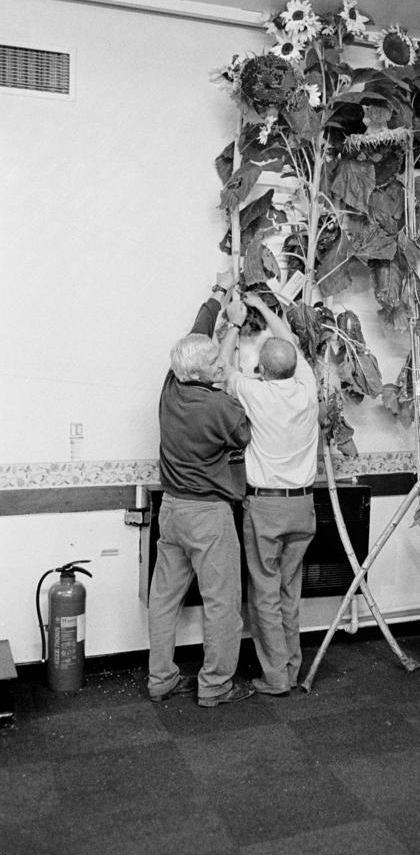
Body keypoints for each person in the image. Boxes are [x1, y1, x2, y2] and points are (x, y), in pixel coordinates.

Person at [147, 274, 255, 707]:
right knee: (222, 604)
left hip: (171, 512)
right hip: (208, 517)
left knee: (163, 601)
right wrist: (237, 328)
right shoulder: (222, 407)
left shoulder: (170, 387)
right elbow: (243, 436)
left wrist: (219, 296)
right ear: (199, 372)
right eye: (214, 365)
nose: (219, 367)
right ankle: (214, 687)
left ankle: (160, 680)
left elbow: (198, 330)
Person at [223, 291, 320, 696]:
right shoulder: (307, 387)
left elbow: (221, 366)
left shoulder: (254, 392)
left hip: (265, 506)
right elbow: (292, 346)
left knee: (264, 590)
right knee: (289, 591)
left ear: (262, 369)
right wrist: (264, 309)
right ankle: (291, 668)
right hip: (302, 507)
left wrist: (233, 321)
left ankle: (276, 677)